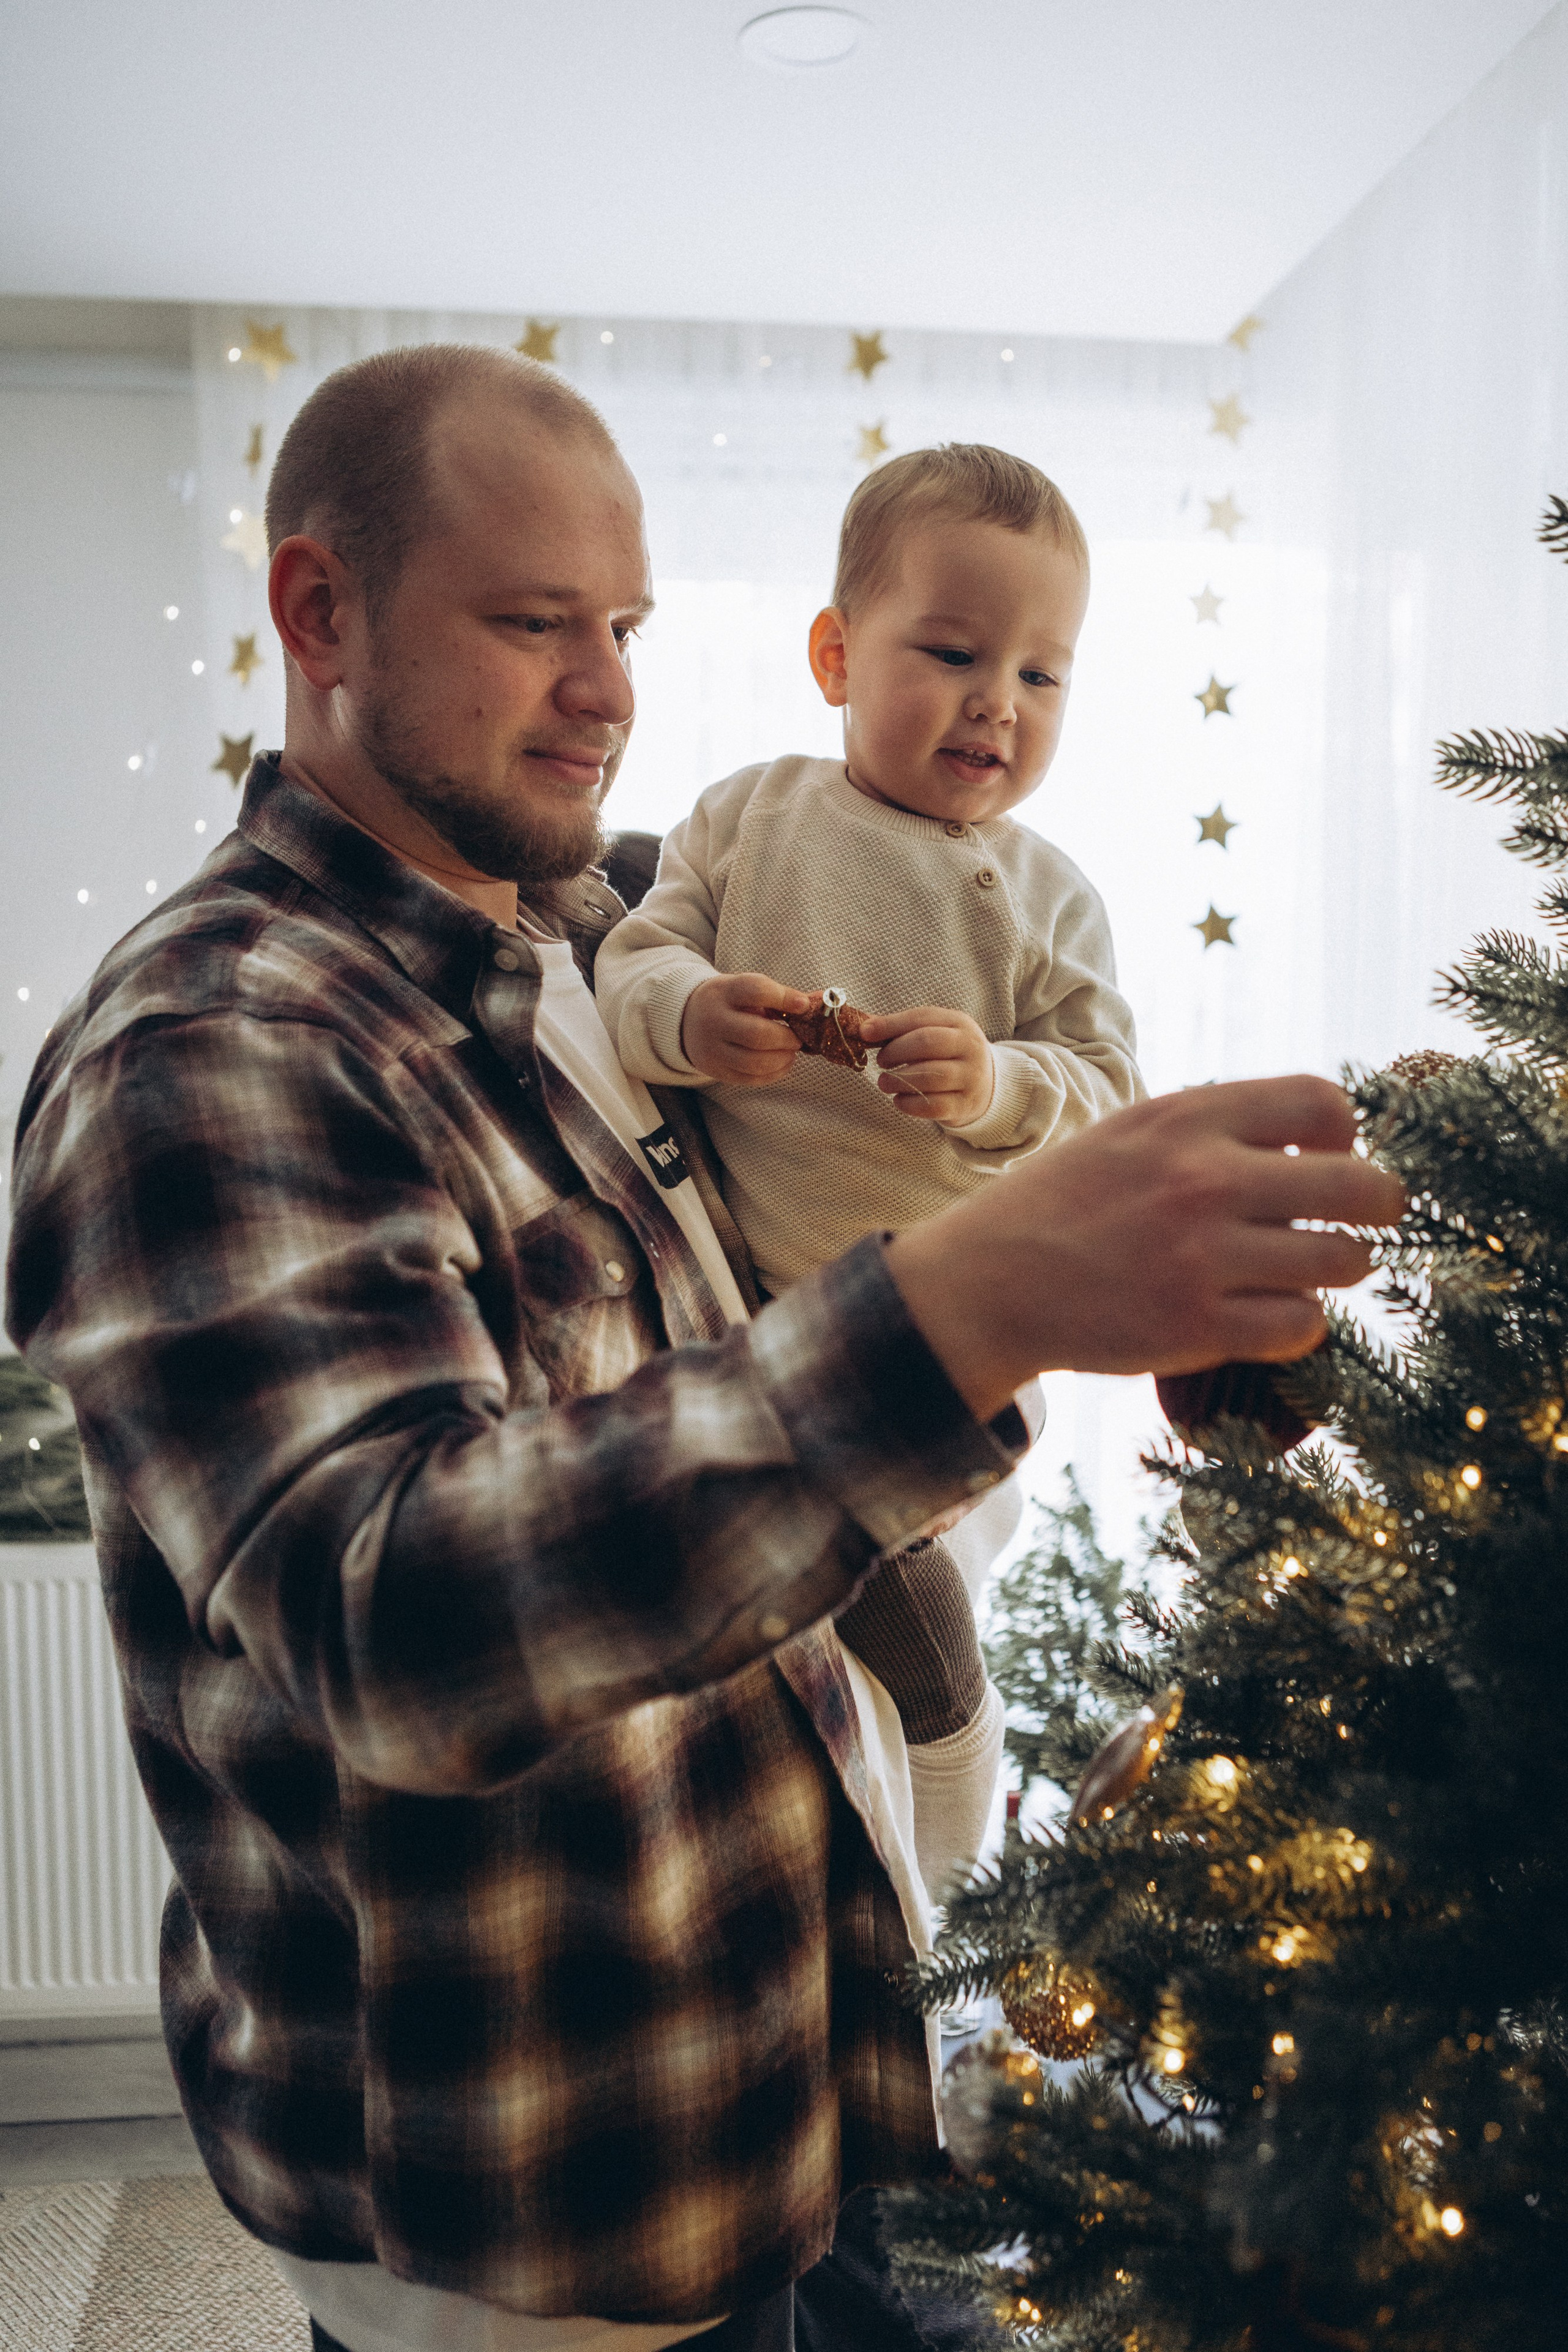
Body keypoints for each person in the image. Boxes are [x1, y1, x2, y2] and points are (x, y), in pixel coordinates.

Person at [3, 345, 1401, 2352]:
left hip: (788, 2074)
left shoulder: (571, 926)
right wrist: (971, 1301)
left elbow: (862, 1038)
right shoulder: (220, 1042)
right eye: (530, 623)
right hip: (548, 2201)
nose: (609, 690)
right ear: (321, 615)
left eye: (629, 626)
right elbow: (400, 1616)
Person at [595, 441, 1142, 1303]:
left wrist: (997, 1087)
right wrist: (692, 1012)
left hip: (956, 1312)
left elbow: (1109, 1101)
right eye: (956, 655)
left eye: (1040, 675)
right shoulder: (748, 816)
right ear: (838, 658)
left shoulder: (1054, 898)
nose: (1000, 702)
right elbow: (631, 967)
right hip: (732, 1295)